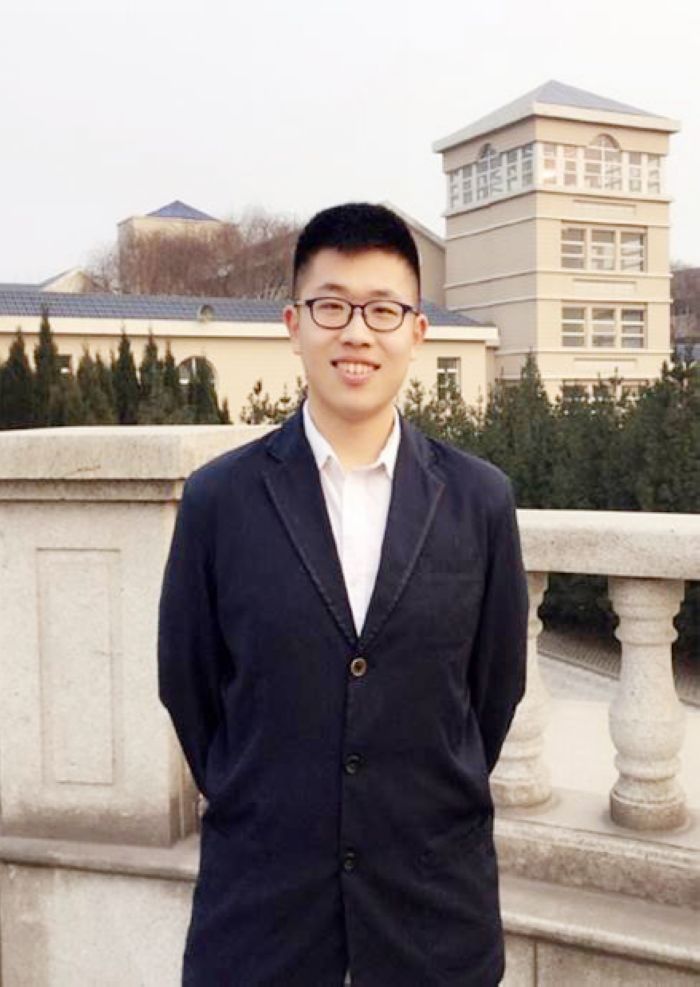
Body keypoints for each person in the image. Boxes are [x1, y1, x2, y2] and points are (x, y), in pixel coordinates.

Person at [158, 202, 529, 986]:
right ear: (294, 323)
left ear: (416, 331)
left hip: (432, 913)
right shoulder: (219, 500)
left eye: (382, 309)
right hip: (264, 916)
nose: (357, 332)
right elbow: (190, 686)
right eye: (332, 306)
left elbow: (492, 692)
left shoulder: (479, 500)